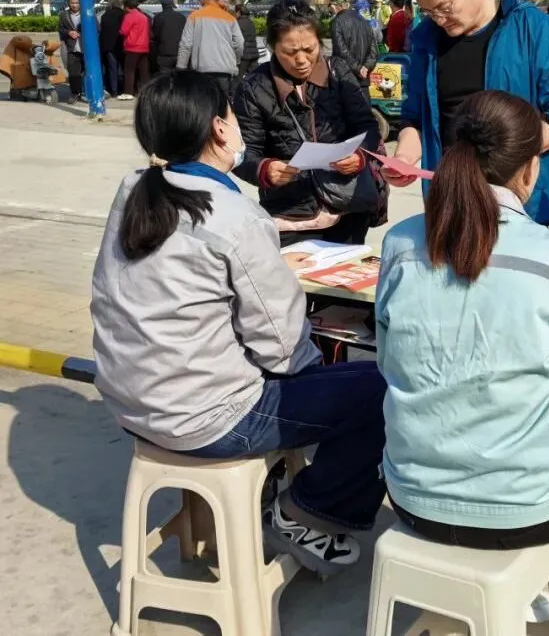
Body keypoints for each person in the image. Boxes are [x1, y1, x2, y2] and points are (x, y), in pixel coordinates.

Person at [90, 70, 386, 575]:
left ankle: (295, 497)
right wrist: (325, 357)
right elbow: (282, 345)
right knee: (384, 388)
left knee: (340, 383)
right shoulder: (232, 216)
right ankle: (306, 514)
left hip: (131, 405)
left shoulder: (133, 189)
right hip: (213, 417)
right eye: (228, 113)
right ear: (219, 129)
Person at [376, 89, 549, 550]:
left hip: (411, 498)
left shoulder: (399, 243)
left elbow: (389, 359)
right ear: (531, 168)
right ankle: (532, 589)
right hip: (530, 511)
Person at [385, 0, 549, 227]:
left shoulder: (532, 27)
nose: (439, 19)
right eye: (429, 11)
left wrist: (510, 156)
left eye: (444, 6)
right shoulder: (426, 39)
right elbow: (416, 117)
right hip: (451, 201)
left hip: (520, 202)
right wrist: (404, 158)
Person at [233, 0, 386, 246]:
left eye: (310, 49)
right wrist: (264, 169)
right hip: (291, 213)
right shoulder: (253, 86)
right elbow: (242, 151)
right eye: (290, 52)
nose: (302, 60)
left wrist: (359, 157)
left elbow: (367, 126)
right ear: (272, 47)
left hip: (346, 207)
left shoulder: (338, 72)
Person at [177, 0, 244, 97]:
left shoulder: (194, 16)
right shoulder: (230, 18)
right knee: (222, 106)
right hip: (225, 70)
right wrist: (235, 61)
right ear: (218, 0)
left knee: (203, 106)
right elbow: (239, 43)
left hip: (201, 69)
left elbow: (186, 44)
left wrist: (181, 67)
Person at [329, 0, 378, 81]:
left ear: (334, 6)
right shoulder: (364, 20)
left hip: (346, 76)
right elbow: (373, 50)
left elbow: (340, 50)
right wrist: (366, 67)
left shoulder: (337, 21)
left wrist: (358, 68)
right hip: (364, 77)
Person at [118, 0, 150, 101]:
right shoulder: (143, 16)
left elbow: (123, 31)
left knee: (129, 70)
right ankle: (146, 92)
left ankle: (128, 92)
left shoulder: (129, 16)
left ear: (127, 7)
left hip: (132, 47)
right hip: (144, 46)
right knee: (144, 71)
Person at [150, 0, 187, 74]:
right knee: (179, 80)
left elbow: (154, 34)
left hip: (164, 53)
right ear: (172, 5)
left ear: (162, 5)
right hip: (179, 53)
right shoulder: (181, 17)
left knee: (165, 80)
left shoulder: (158, 17)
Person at [58, 0, 84, 102]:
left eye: (77, 3)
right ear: (68, 3)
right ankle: (74, 93)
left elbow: (96, 29)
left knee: (86, 72)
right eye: (72, 3)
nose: (74, 5)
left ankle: (85, 92)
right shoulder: (64, 15)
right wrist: (69, 32)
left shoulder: (86, 14)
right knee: (73, 72)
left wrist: (81, 33)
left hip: (85, 48)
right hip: (72, 48)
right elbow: (61, 29)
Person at [98, 0, 125, 98]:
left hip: (108, 47)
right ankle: (123, 89)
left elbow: (102, 30)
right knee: (124, 69)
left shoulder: (105, 15)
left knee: (112, 69)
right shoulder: (124, 15)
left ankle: (113, 90)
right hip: (122, 45)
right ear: (121, 6)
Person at [235, 3, 260, 76]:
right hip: (254, 53)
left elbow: (236, 40)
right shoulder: (250, 22)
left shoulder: (238, 23)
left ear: (239, 12)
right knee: (255, 77)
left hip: (244, 55)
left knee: (238, 78)